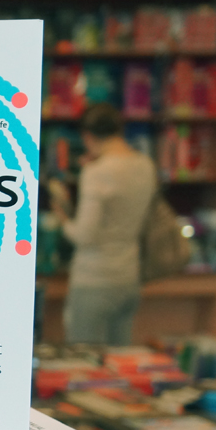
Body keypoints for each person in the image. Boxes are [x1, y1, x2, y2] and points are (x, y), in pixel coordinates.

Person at [48, 103, 156, 345]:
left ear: (87, 136)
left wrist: (63, 219)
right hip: (129, 277)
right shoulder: (145, 165)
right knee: (119, 359)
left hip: (94, 279)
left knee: (85, 359)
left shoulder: (97, 172)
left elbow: (85, 235)